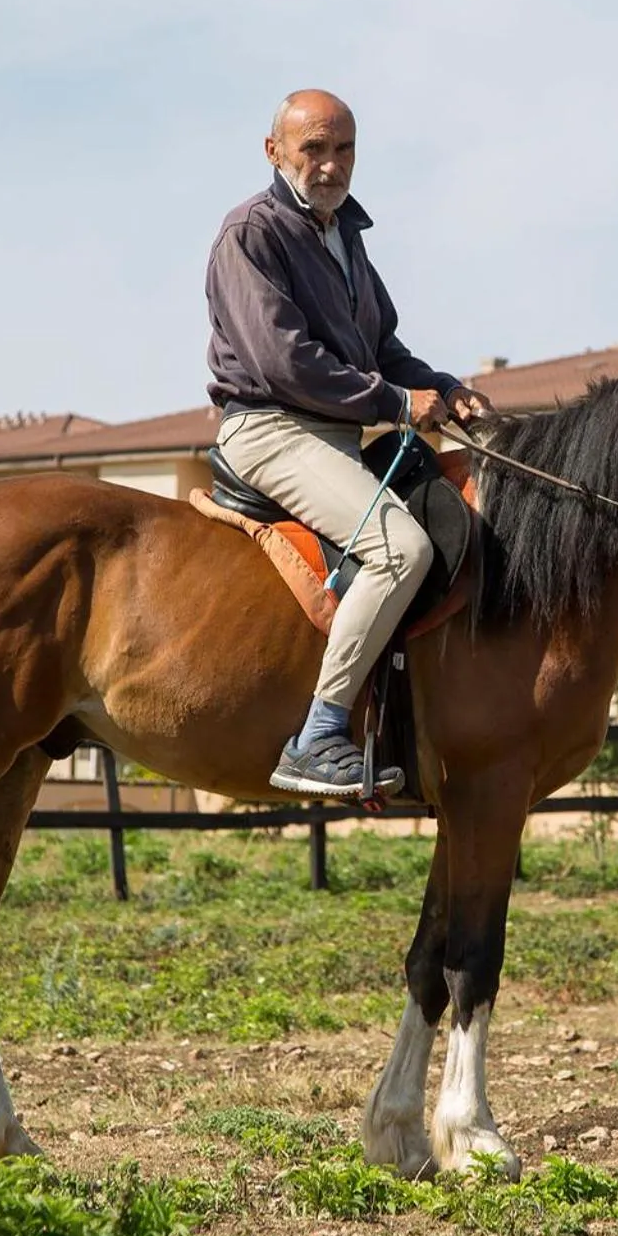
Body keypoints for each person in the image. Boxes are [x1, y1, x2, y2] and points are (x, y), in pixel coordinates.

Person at [205, 88, 494, 799]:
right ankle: (318, 736)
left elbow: (383, 350)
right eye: (314, 148)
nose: (331, 164)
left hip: (332, 430)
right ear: (274, 151)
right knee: (402, 550)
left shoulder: (346, 237)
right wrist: (397, 403)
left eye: (344, 149)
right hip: (270, 428)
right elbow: (284, 362)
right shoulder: (251, 232)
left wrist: (444, 387)